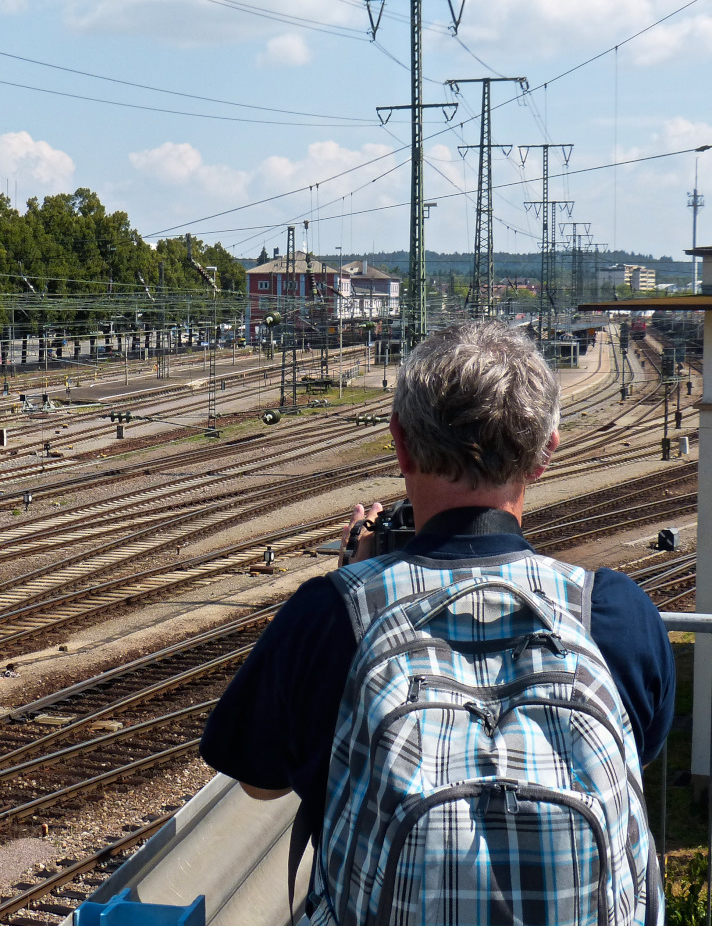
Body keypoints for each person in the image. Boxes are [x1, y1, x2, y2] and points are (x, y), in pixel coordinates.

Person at [200, 319, 674, 917]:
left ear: (400, 443)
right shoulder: (616, 615)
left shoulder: (329, 617)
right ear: (544, 453)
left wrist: (359, 574)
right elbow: (638, 756)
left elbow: (260, 781)